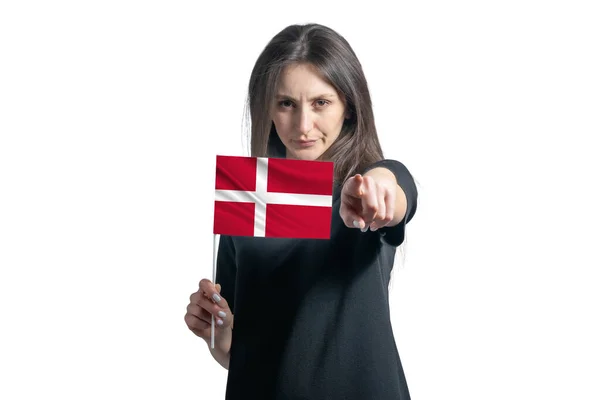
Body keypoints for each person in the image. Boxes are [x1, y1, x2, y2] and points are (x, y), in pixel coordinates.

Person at [184, 23, 418, 400]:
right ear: (269, 109)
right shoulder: (248, 198)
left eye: (320, 103)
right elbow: (246, 351)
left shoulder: (364, 190)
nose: (303, 125)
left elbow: (396, 190)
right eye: (286, 103)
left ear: (348, 107)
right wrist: (221, 336)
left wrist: (380, 189)